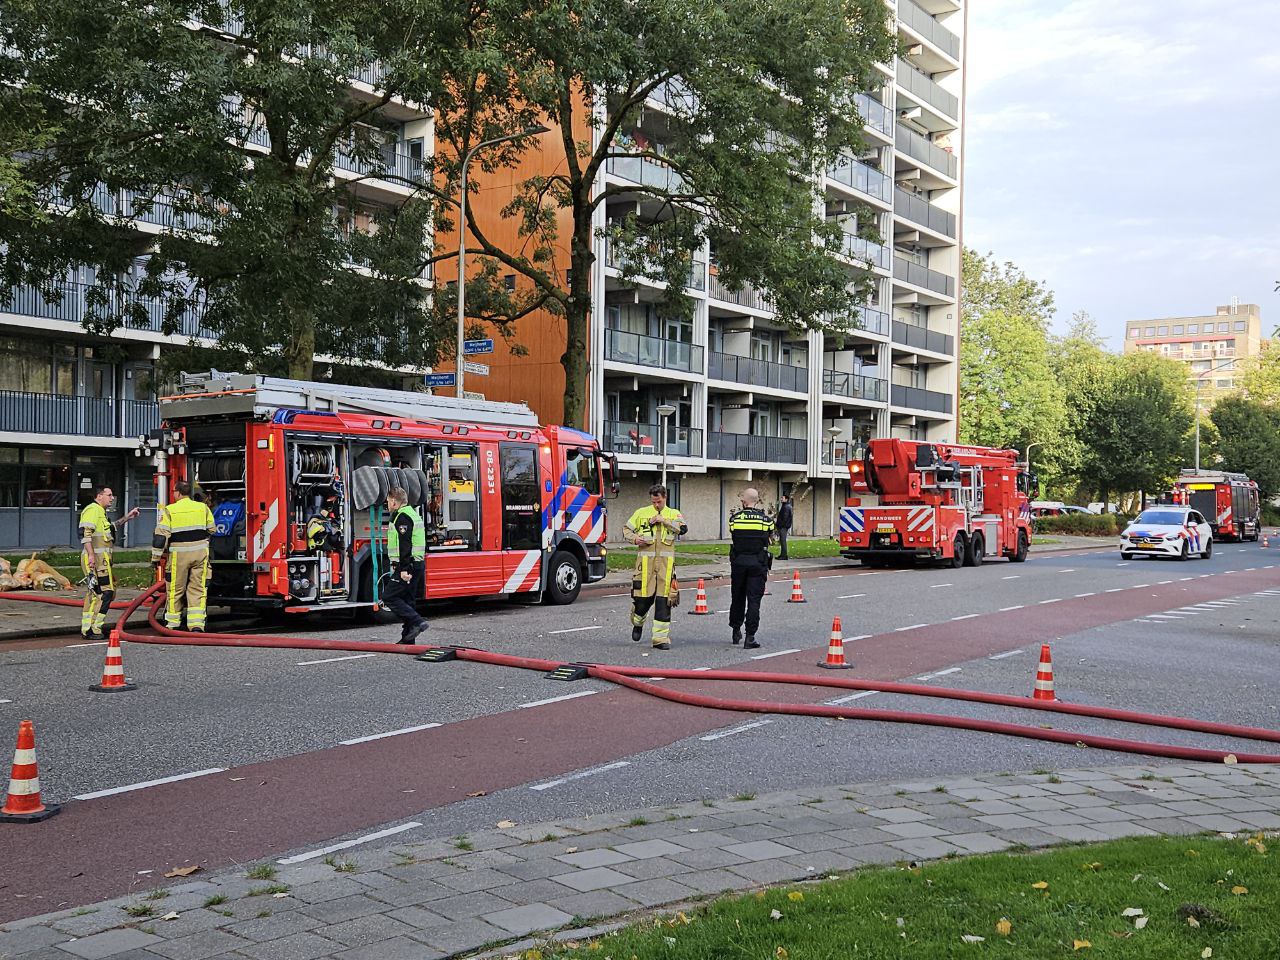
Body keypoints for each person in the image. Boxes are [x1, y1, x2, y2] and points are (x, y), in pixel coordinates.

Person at [623, 483, 686, 650]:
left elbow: (683, 529)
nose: (656, 505)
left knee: (664, 601)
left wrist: (663, 520)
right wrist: (635, 539)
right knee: (642, 600)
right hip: (644, 566)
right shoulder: (641, 513)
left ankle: (660, 639)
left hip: (665, 566)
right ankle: (638, 622)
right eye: (653, 502)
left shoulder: (674, 513)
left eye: (658, 502)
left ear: (665, 498)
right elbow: (626, 530)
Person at [151, 481, 217, 631]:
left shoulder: (169, 510)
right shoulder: (203, 508)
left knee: (175, 589)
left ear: (178, 493)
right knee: (198, 588)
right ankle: (196, 625)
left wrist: (155, 558)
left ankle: (173, 624)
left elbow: (160, 537)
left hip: (178, 556)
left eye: (174, 491)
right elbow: (212, 529)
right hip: (200, 553)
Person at [78, 486, 141, 641]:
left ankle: (89, 628)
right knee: (104, 593)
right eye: (109, 495)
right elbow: (85, 533)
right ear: (99, 496)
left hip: (102, 562)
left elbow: (110, 527)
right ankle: (93, 628)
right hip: (96, 562)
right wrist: (91, 556)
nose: (112, 498)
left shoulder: (100, 513)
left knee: (97, 594)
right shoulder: (93, 510)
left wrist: (128, 517)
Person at [728, 487, 775, 650]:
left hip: (739, 562)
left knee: (737, 596)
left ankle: (736, 631)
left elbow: (733, 533)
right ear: (757, 500)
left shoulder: (735, 519)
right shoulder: (765, 520)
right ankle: (750, 636)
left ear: (744, 501)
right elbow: (770, 536)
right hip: (757, 562)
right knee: (754, 600)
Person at [382, 485, 429, 645]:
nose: (387, 505)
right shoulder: (412, 514)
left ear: (395, 502)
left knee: (389, 597)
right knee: (408, 600)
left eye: (388, 501)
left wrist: (404, 569)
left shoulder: (402, 517)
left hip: (409, 566)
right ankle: (408, 640)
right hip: (416, 564)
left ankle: (417, 621)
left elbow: (405, 545)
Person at [775, 493, 794, 561]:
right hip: (784, 526)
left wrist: (780, 525)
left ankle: (784, 555)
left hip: (783, 527)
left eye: (782, 498)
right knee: (782, 541)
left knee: (783, 541)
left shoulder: (786, 507)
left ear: (786, 499)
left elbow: (784, 518)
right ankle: (783, 554)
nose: (781, 499)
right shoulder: (786, 506)